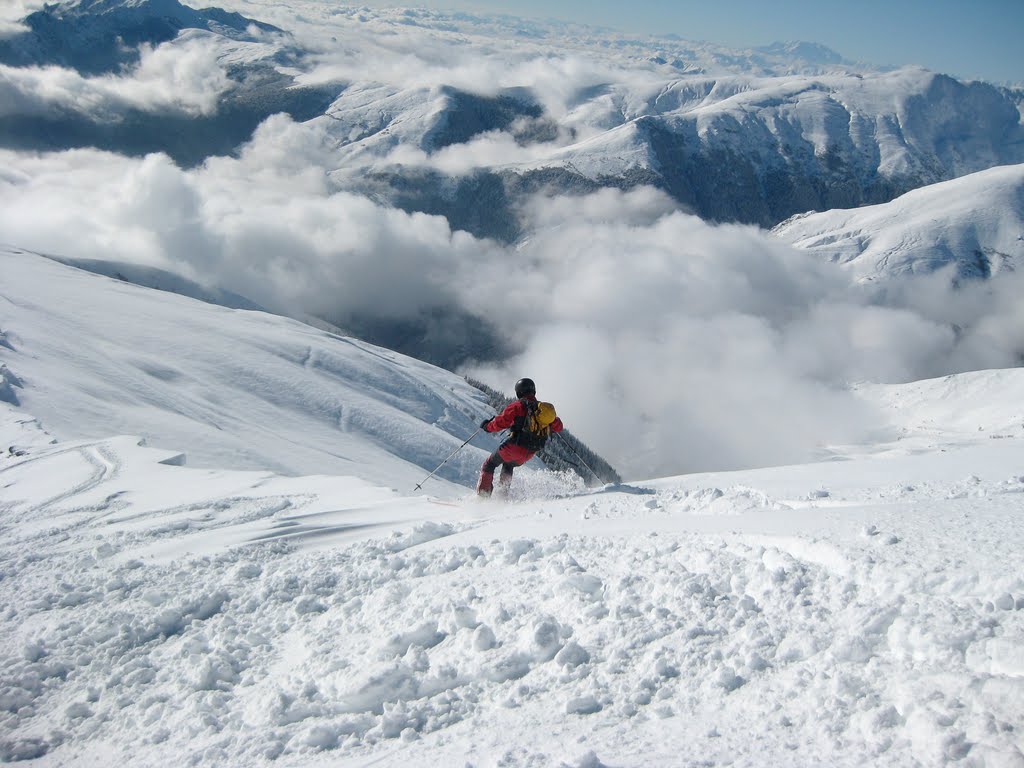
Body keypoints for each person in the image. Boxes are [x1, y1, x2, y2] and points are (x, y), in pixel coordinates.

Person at [477, 377, 563, 497]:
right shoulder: (542, 410)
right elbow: (558, 427)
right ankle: (502, 498)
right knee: (509, 465)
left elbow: (500, 423)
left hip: (514, 447)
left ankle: (483, 497)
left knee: (489, 465)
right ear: (534, 391)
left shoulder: (517, 406)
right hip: (531, 452)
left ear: (519, 392)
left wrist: (487, 426)